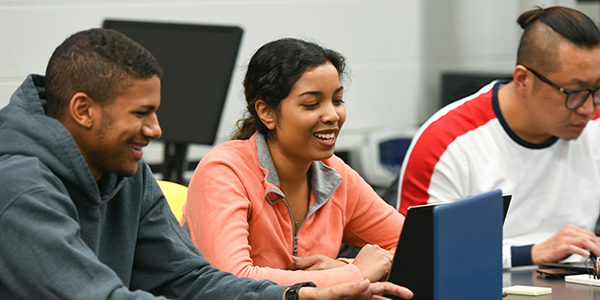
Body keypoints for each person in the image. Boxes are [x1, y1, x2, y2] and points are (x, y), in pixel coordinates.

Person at [0, 28, 414, 300]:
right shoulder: (20, 187)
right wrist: (345, 277)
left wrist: (296, 295)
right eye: (141, 114)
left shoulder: (124, 169)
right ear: (83, 110)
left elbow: (188, 279)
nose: (156, 129)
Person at [180, 38, 405, 287]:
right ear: (266, 112)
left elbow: (419, 246)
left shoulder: (335, 175)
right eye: (311, 104)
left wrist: (345, 267)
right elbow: (233, 281)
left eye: (338, 101)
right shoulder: (223, 171)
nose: (332, 115)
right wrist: (354, 275)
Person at [398, 6, 600, 269]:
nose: (588, 107)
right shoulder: (445, 142)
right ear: (523, 80)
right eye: (573, 92)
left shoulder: (594, 122)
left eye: (596, 89)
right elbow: (418, 258)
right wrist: (530, 253)